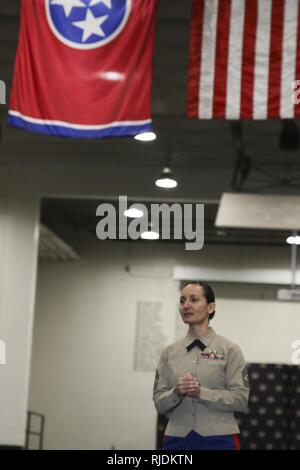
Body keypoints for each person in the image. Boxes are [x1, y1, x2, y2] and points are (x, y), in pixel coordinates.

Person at [153, 282, 250, 450]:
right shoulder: (169, 353)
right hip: (176, 440)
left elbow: (241, 400)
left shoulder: (230, 350)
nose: (186, 306)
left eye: (194, 299)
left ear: (211, 307)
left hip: (219, 440)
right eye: (182, 301)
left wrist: (200, 393)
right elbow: (159, 403)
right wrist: (176, 392)